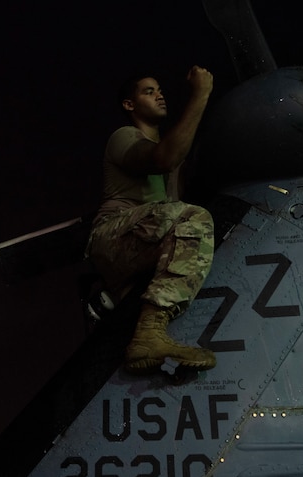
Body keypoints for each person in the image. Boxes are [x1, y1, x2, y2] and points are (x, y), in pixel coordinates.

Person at [86, 66, 217, 374]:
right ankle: (150, 334)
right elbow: (163, 157)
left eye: (160, 89)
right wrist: (201, 93)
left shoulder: (175, 167)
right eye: (148, 91)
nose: (159, 94)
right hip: (113, 235)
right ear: (129, 105)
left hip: (146, 244)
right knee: (194, 218)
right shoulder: (123, 138)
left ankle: (146, 343)